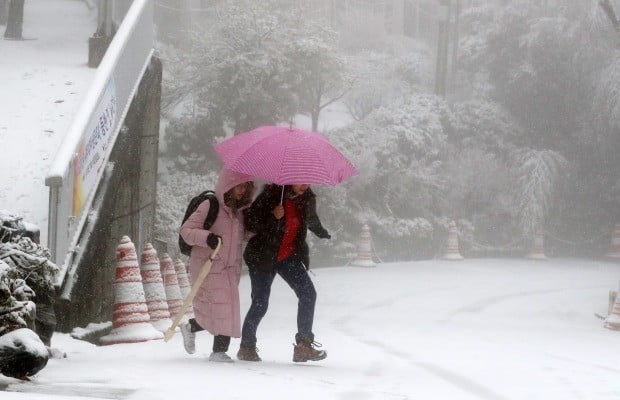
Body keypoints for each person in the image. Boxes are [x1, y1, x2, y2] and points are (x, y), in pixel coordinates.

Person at [238, 183, 331, 362]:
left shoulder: (307, 198)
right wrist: (272, 215)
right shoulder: (271, 194)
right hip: (262, 256)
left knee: (308, 294)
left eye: (307, 181)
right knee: (260, 302)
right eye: (301, 180)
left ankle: (303, 345)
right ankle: (246, 346)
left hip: (288, 256)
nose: (305, 185)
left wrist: (322, 232)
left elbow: (310, 218)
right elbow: (250, 222)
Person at [179, 169, 254, 362]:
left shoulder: (238, 212)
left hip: (229, 268)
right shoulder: (209, 205)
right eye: (238, 185)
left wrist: (258, 228)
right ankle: (219, 351)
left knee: (221, 310)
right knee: (222, 309)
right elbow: (186, 230)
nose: (241, 190)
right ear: (227, 185)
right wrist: (208, 238)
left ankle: (191, 327)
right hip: (207, 265)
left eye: (245, 186)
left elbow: (240, 236)